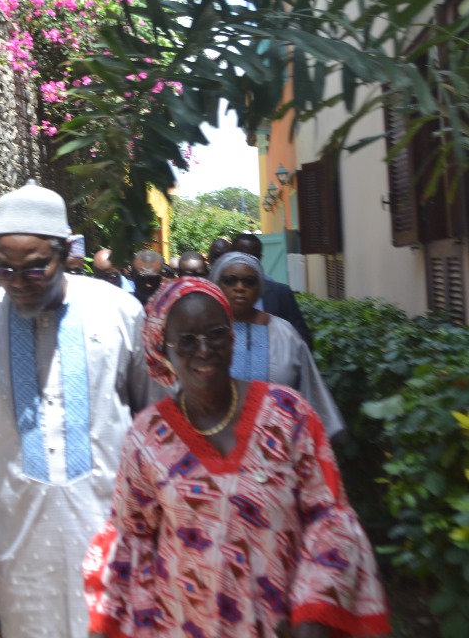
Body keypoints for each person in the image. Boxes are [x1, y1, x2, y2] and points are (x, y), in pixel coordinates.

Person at [84, 277, 390, 638]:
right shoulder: (148, 436)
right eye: (186, 340)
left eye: (215, 333)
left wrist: (314, 612)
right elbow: (130, 539)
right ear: (161, 348)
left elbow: (328, 518)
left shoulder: (288, 416)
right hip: (182, 624)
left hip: (284, 626)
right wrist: (106, 626)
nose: (203, 350)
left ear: (232, 335)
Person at [0, 180, 158, 638]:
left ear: (64, 252)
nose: (18, 283)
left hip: (114, 536)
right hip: (20, 546)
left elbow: (156, 428)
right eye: (5, 269)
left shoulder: (119, 313)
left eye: (35, 269)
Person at [209, 252, 344, 439]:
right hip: (218, 441)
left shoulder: (284, 332)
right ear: (218, 284)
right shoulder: (205, 333)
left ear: (260, 287)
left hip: (278, 440)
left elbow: (308, 384)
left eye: (249, 281)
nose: (239, 287)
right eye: (230, 280)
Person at [232, 232, 314, 349]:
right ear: (230, 255)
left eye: (253, 256)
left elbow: (303, 340)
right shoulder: (217, 294)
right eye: (243, 255)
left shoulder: (280, 293)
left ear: (260, 258)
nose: (247, 261)